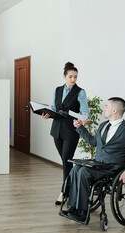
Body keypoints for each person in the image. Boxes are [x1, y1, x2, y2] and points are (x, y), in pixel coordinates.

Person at [64, 97, 125, 221]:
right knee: (76, 168)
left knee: (83, 172)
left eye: (106, 106)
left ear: (115, 110)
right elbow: (93, 142)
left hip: (112, 169)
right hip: (97, 165)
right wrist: (80, 128)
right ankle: (73, 207)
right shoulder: (103, 126)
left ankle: (81, 212)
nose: (104, 108)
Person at [42, 62, 89, 205]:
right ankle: (71, 188)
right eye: (70, 76)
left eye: (75, 77)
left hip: (71, 131)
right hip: (56, 129)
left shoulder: (80, 92)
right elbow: (53, 108)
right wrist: (47, 114)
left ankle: (64, 192)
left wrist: (83, 120)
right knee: (65, 161)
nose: (73, 79)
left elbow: (85, 112)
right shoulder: (57, 90)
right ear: (64, 76)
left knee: (66, 160)